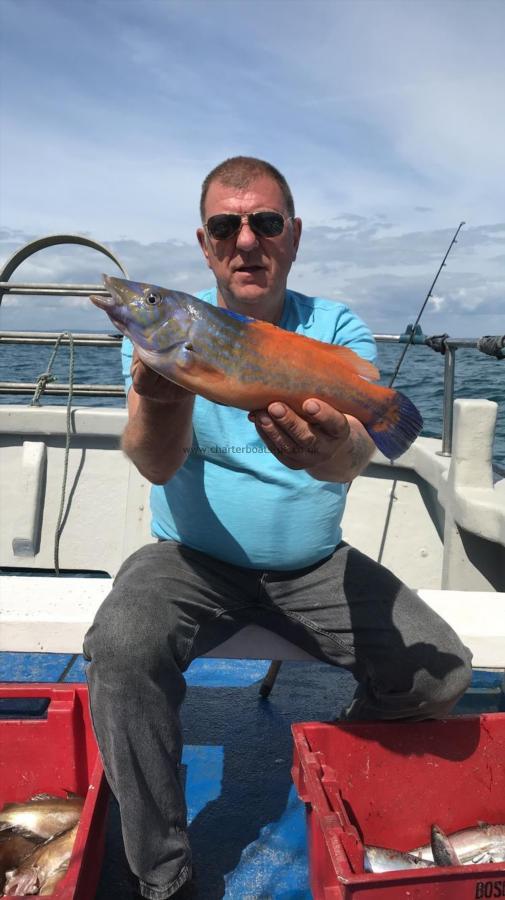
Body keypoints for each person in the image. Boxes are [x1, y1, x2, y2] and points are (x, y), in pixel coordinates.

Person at [83, 156, 472, 900]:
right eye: (226, 226)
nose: (245, 241)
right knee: (121, 649)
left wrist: (337, 448)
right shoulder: (168, 333)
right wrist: (162, 400)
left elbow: (354, 452)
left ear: (291, 236)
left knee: (440, 670)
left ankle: (331, 754)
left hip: (313, 566)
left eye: (264, 223)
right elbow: (154, 466)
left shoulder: (334, 327)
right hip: (190, 559)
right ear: (204, 243)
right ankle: (162, 876)